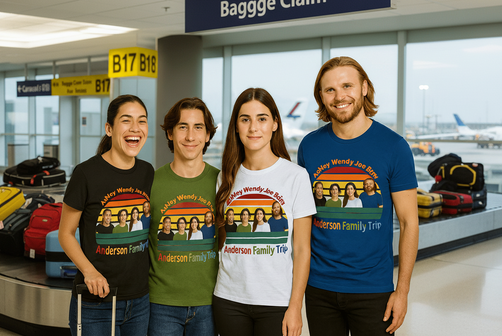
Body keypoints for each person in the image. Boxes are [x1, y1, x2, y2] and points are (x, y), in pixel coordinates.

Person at [298, 56, 419, 335]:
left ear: (364, 88)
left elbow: (409, 223)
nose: (340, 96)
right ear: (321, 96)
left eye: (347, 86)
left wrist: (402, 292)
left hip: (373, 288)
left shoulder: (394, 147)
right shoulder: (310, 146)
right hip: (319, 288)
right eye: (330, 90)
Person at [213, 88, 315, 336]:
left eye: (262, 118)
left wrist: (295, 306)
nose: (253, 128)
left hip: (276, 301)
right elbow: (224, 240)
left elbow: (302, 250)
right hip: (228, 298)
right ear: (236, 127)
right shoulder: (225, 177)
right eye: (245, 119)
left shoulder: (296, 176)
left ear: (275, 124)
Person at [58, 94, 154, 335]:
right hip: (95, 303)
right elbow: (66, 233)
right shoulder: (86, 173)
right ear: (109, 129)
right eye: (126, 120)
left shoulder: (147, 172)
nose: (135, 128)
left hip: (140, 300)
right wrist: (89, 272)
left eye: (142, 121)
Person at [148, 97, 219, 336]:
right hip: (161, 304)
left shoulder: (223, 184)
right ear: (169, 133)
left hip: (210, 302)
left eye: (198, 127)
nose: (190, 136)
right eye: (182, 127)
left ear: (208, 135)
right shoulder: (151, 182)